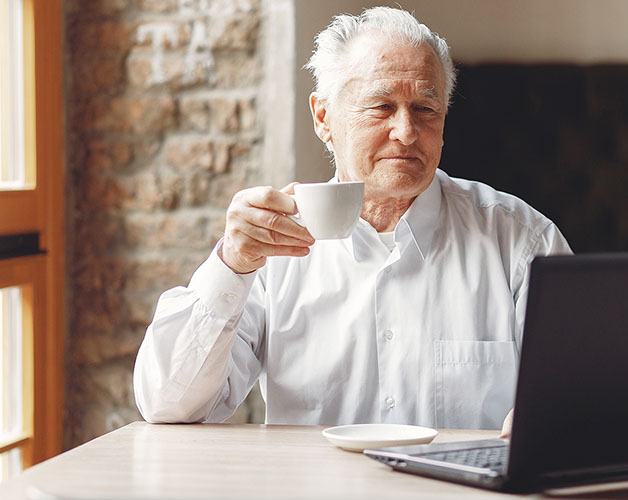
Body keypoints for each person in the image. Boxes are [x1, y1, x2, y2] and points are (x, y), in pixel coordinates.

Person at [133, 6, 571, 434]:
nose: (406, 131)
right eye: (382, 107)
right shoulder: (272, 247)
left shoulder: (521, 240)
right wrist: (231, 265)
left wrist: (556, 419)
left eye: (425, 109)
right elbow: (170, 405)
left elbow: (586, 391)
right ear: (324, 117)